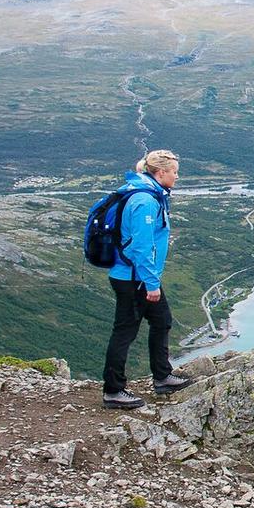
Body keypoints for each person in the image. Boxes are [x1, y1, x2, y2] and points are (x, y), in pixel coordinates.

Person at [101, 149, 194, 409]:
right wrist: (151, 284)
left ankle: (163, 377)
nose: (177, 176)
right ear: (161, 172)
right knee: (124, 332)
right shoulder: (145, 201)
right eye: (174, 172)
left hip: (139, 277)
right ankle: (113, 391)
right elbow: (141, 247)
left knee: (162, 321)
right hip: (135, 279)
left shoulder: (149, 194)